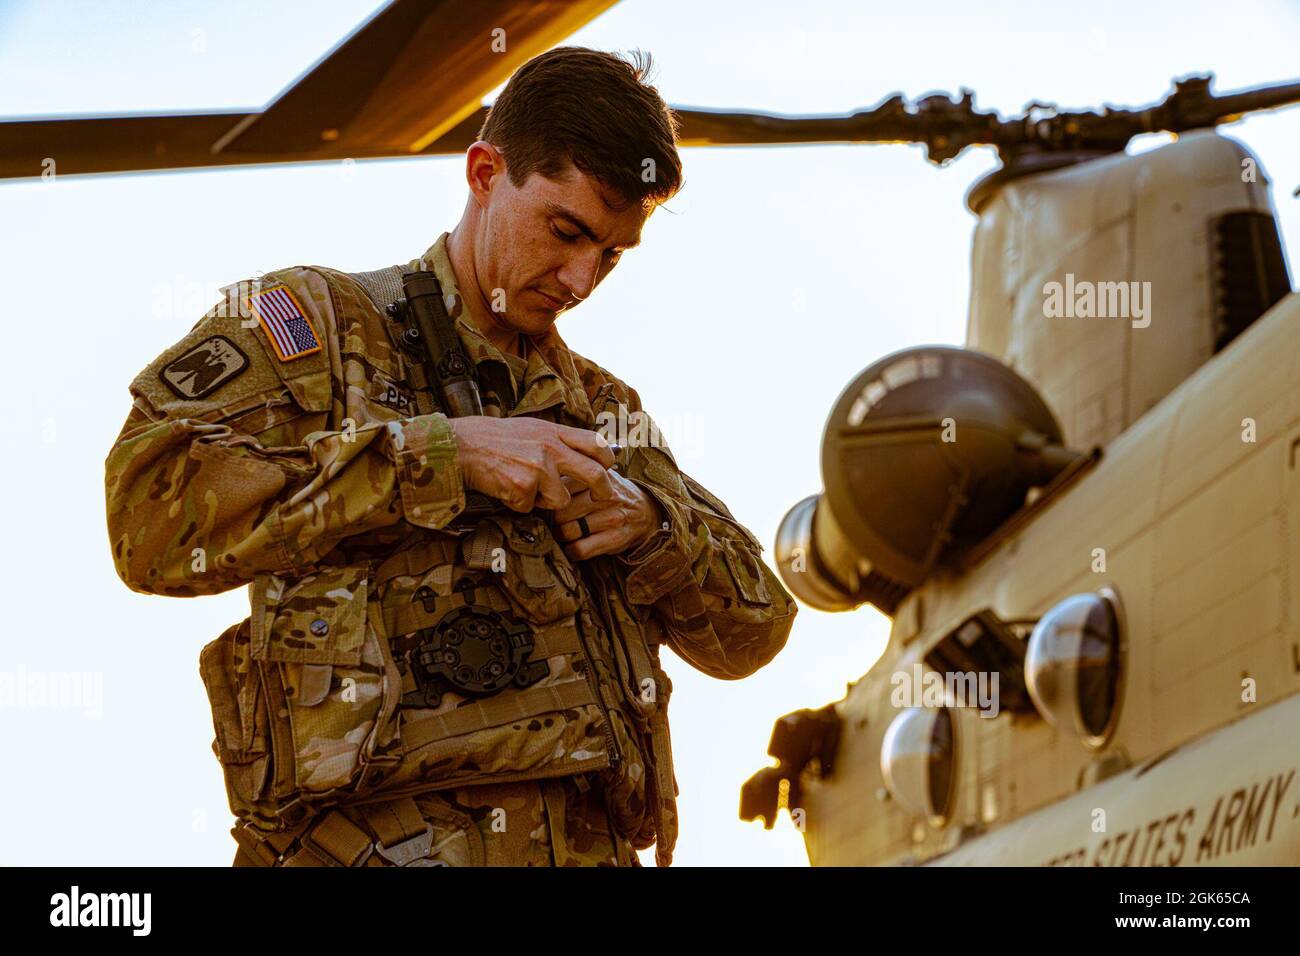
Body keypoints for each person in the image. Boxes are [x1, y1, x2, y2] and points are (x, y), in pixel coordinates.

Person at [104, 46, 796, 867]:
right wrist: (435, 457)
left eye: (611, 254)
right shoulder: (317, 327)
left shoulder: (599, 407)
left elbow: (754, 632)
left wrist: (651, 527)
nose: (580, 280)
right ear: (482, 172)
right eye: (566, 230)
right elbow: (146, 521)